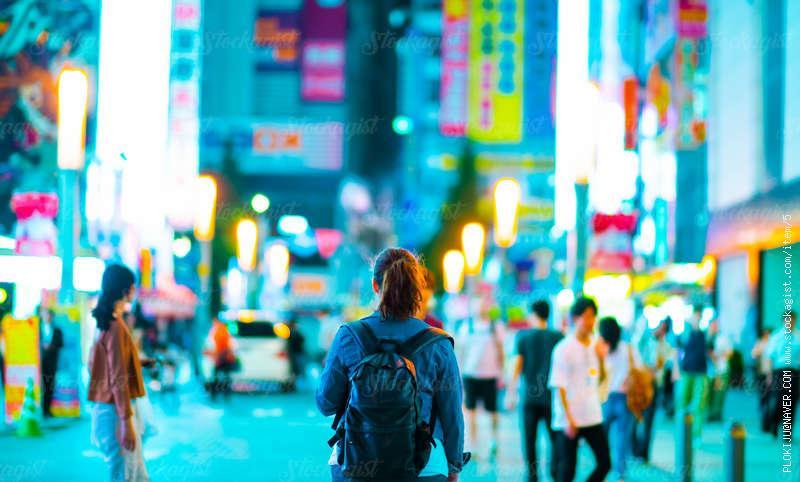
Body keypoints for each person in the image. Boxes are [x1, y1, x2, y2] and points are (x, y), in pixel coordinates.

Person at [317, 248, 465, 482]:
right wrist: (454, 467)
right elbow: (452, 414)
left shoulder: (349, 335)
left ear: (375, 286)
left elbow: (326, 403)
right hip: (423, 466)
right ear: (417, 288)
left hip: (357, 464)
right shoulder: (438, 343)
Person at [88, 264, 149, 482]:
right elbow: (118, 378)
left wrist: (138, 362)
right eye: (133, 286)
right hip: (116, 412)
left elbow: (100, 366)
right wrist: (125, 422)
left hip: (110, 409)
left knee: (137, 476)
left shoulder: (105, 323)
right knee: (126, 476)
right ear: (125, 289)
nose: (135, 290)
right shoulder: (114, 326)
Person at [549, 297, 611, 482]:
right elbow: (558, 386)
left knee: (605, 463)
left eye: (594, 317)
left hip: (592, 415)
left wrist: (600, 358)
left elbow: (600, 379)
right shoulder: (563, 348)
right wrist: (568, 419)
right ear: (576, 318)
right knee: (567, 471)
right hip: (569, 419)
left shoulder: (596, 345)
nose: (591, 321)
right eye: (587, 316)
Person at [507, 299, 563, 482]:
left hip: (529, 398)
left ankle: (532, 476)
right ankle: (555, 471)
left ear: (533, 314)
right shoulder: (558, 337)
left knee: (530, 440)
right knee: (555, 438)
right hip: (551, 397)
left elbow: (517, 365)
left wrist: (510, 392)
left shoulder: (523, 336)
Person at [457, 298, 505, 460]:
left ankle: (493, 441)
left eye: (484, 304)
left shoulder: (495, 326)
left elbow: (501, 351)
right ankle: (475, 445)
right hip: (471, 375)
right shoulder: (467, 327)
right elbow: (461, 352)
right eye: (478, 305)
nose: (481, 307)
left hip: (490, 375)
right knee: (471, 413)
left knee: (493, 412)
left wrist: (501, 373)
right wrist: (460, 374)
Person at [597, 316, 642, 481]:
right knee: (622, 437)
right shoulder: (629, 349)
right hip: (625, 398)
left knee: (601, 438)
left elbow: (594, 374)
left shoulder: (601, 350)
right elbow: (639, 369)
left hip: (605, 399)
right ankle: (620, 473)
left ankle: (601, 467)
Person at [633, 318, 674, 462]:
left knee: (648, 421)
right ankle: (635, 450)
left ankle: (643, 453)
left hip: (654, 384)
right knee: (634, 419)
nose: (660, 331)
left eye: (664, 329)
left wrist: (656, 368)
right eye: (660, 328)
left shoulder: (665, 346)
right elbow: (636, 358)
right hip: (639, 384)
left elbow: (665, 364)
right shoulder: (644, 340)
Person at [675, 305, 710, 438]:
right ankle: (681, 431)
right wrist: (675, 369)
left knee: (699, 405)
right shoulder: (685, 332)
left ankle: (696, 435)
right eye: (696, 316)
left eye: (699, 316)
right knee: (682, 402)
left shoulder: (705, 332)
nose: (697, 318)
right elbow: (677, 348)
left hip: (702, 372)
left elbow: (710, 349)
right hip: (686, 371)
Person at [765, 310, 800, 438]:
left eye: (792, 320)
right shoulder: (776, 337)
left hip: (794, 372)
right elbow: (770, 357)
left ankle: (787, 431)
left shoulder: (798, 336)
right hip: (780, 371)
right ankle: (775, 423)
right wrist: (769, 375)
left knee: (792, 401)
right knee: (780, 400)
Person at [706, 318, 732, 422]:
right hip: (708, 371)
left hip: (721, 369)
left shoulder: (723, 338)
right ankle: (710, 412)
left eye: (716, 325)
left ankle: (717, 413)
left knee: (719, 392)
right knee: (709, 392)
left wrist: (719, 355)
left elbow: (730, 352)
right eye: (712, 325)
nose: (714, 327)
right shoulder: (706, 338)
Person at [204, 317, 237, 400]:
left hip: (218, 358)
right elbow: (232, 344)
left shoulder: (215, 331)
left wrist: (211, 355)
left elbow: (211, 345)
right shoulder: (225, 330)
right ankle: (225, 393)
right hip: (225, 358)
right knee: (225, 376)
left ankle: (214, 394)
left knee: (216, 376)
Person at [39, 307, 63, 418]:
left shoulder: (57, 330)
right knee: (39, 386)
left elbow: (60, 343)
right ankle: (39, 409)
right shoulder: (37, 329)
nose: (47, 317)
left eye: (49, 315)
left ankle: (47, 410)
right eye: (45, 315)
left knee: (49, 385)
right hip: (38, 363)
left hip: (52, 363)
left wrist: (50, 347)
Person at [750, 328, 773, 432]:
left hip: (772, 374)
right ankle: (765, 422)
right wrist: (758, 351)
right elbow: (753, 354)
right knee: (763, 398)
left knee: (770, 399)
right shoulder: (760, 343)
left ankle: (768, 422)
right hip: (761, 374)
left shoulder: (773, 344)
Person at [287, 315, 306, 387]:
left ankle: (294, 383)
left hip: (294, 353)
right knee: (297, 368)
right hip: (297, 353)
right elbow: (302, 339)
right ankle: (296, 383)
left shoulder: (289, 333)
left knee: (295, 369)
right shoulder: (294, 333)